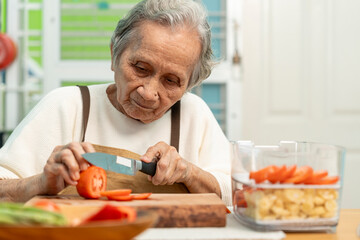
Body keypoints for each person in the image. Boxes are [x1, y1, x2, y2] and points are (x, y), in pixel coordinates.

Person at [0, 0, 232, 205]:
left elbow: (234, 195)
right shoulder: (66, 105)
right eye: (140, 68)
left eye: (171, 81)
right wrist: (39, 184)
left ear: (189, 84)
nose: (149, 93)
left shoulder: (194, 114)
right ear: (114, 55)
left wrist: (189, 173)